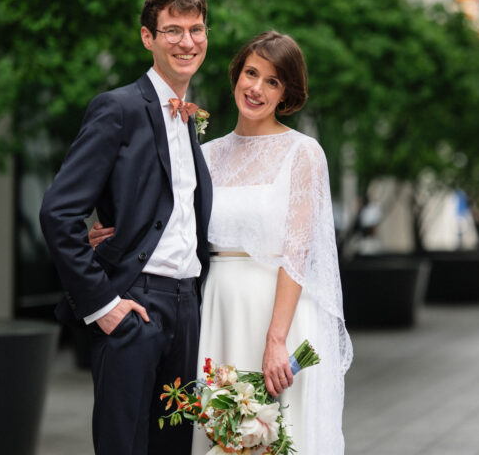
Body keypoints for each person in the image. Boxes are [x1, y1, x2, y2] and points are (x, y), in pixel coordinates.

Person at [90, 31, 353, 454]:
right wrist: (112, 235)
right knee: (217, 435)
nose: (256, 88)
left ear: (287, 93)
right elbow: (170, 225)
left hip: (277, 316)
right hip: (213, 312)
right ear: (236, 75)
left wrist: (276, 340)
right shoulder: (205, 153)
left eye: (273, 81)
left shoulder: (303, 153)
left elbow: (298, 253)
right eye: (251, 73)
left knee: (278, 437)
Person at [39, 0, 213, 454]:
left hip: (187, 307)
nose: (186, 41)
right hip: (136, 304)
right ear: (147, 37)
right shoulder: (117, 109)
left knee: (174, 447)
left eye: (195, 29)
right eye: (172, 30)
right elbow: (59, 211)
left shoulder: (191, 119)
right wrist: (103, 303)